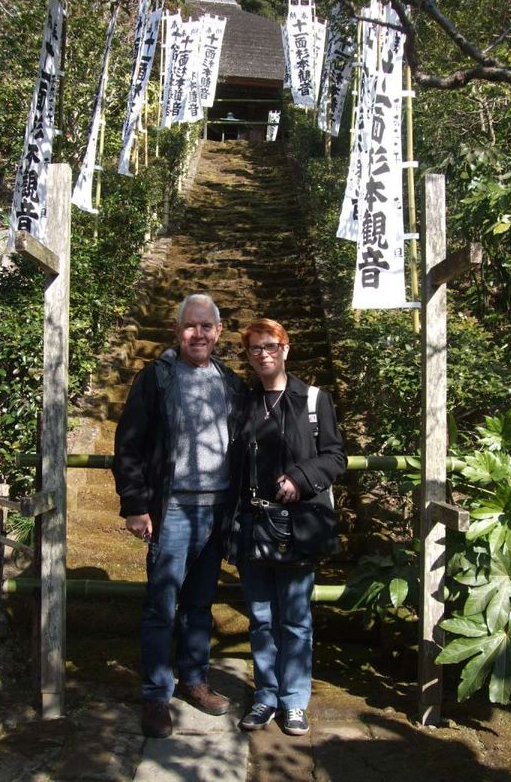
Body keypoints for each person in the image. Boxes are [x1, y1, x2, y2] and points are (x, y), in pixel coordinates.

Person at [113, 293, 248, 739]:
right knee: (161, 605)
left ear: (219, 332)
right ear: (176, 331)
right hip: (171, 510)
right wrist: (135, 505)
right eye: (190, 326)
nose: (199, 333)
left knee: (199, 604)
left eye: (207, 326)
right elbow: (129, 444)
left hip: (217, 510)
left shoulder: (229, 380)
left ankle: (193, 680)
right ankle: (155, 695)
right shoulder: (156, 378)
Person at [235, 318, 346, 736]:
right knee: (261, 618)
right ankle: (265, 696)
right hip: (253, 523)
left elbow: (334, 456)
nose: (264, 354)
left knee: (296, 618)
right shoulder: (244, 402)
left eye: (271, 346)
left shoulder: (314, 400)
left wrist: (300, 478)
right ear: (247, 356)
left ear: (286, 347)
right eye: (255, 349)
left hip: (298, 525)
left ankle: (294, 700)